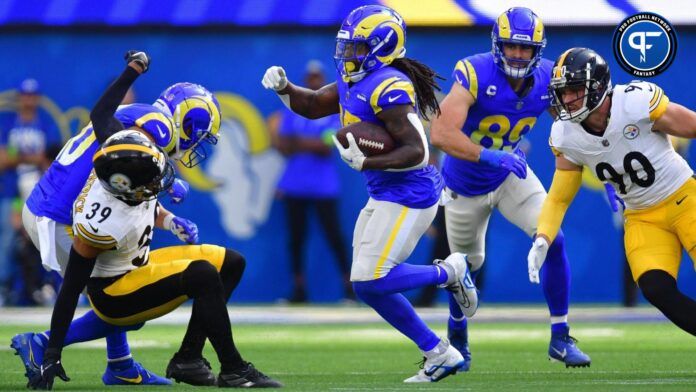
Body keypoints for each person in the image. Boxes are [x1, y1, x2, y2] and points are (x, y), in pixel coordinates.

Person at [263, 5, 478, 383]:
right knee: (368, 286)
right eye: (347, 46)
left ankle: (449, 272)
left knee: (369, 280)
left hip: (411, 193)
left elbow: (418, 151)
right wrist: (285, 89)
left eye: (358, 47)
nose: (348, 54)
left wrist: (367, 164)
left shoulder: (388, 86)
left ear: (381, 48)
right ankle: (439, 353)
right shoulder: (353, 78)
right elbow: (313, 105)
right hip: (385, 192)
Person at [11, 51, 217, 385]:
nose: (197, 144)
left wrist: (166, 220)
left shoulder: (142, 117)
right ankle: (44, 343)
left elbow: (123, 191)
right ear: (189, 121)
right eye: (200, 134)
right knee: (125, 300)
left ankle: (119, 364)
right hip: (62, 215)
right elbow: (112, 150)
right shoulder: (157, 128)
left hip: (51, 205)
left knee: (122, 279)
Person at [26, 130, 281, 389]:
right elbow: (70, 288)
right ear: (126, 186)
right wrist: (52, 354)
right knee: (202, 274)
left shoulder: (121, 178)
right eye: (151, 181)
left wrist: (170, 221)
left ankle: (188, 358)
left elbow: (143, 203)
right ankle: (233, 368)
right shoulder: (100, 223)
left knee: (231, 262)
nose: (158, 184)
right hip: (115, 294)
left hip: (138, 265)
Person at [430, 7, 590, 369]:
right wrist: (488, 156)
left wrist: (602, 166)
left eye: (525, 48)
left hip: (511, 176)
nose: (518, 54)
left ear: (538, 49)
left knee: (552, 237)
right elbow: (440, 133)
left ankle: (561, 337)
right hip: (464, 184)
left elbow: (574, 125)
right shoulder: (475, 72)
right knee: (463, 267)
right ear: (497, 45)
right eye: (511, 47)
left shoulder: (550, 77)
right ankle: (458, 338)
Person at [529, 47, 696, 342]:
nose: (567, 99)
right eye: (563, 92)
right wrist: (543, 237)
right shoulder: (566, 134)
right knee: (655, 287)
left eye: (574, 90)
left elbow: (693, 126)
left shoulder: (634, 102)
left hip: (684, 198)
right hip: (642, 217)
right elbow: (558, 197)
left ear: (597, 87)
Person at [275, 60, 352, 303]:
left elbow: (328, 147)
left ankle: (349, 289)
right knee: (296, 239)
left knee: (335, 238)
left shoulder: (335, 111)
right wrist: (308, 142)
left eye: (318, 78)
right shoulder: (293, 111)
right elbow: (283, 145)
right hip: (294, 185)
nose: (314, 82)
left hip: (323, 187)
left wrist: (300, 142)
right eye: (311, 79)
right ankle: (299, 290)